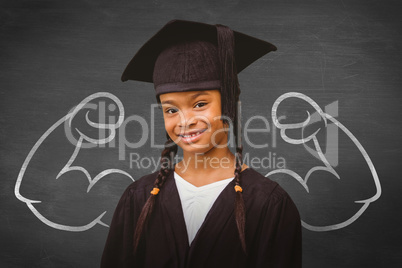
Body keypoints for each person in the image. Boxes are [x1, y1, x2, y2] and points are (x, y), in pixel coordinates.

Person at [101, 19, 302, 267]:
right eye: (171, 110)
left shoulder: (269, 205)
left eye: (199, 104)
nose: (185, 121)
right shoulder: (139, 199)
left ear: (229, 103)